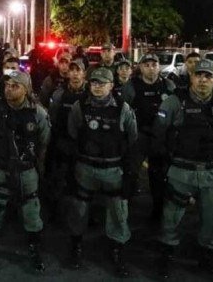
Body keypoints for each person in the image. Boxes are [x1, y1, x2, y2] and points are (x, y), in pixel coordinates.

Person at [153, 59, 213, 280]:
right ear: (191, 76)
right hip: (181, 169)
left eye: (208, 76)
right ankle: (166, 256)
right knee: (171, 217)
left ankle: (208, 258)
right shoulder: (174, 102)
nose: (203, 80)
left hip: (211, 171)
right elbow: (159, 134)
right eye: (199, 75)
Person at [66, 68, 139, 277]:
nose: (97, 87)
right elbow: (73, 133)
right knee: (79, 208)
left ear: (111, 86)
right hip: (85, 168)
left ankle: (117, 249)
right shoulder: (79, 106)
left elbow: (132, 139)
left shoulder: (123, 109)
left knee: (117, 211)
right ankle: (76, 245)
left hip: (113, 169)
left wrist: (130, 173)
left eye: (102, 83)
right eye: (94, 83)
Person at [0, 70, 50, 273]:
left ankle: (34, 248)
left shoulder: (38, 113)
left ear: (26, 89)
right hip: (0, 168)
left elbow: (44, 141)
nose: (9, 89)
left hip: (26, 170)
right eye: (7, 85)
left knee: (31, 210)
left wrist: (38, 166)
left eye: (15, 86)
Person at [122, 53, 176, 220]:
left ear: (159, 66)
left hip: (160, 138)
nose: (151, 68)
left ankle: (158, 211)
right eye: (147, 65)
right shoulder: (131, 86)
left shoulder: (168, 86)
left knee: (158, 175)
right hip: (139, 137)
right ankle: (124, 210)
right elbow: (123, 112)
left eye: (154, 65)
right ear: (140, 67)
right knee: (130, 172)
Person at [44, 57, 88, 224]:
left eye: (79, 71)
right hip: (61, 143)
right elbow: (52, 118)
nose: (75, 74)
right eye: (72, 70)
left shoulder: (91, 94)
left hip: (84, 147)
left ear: (84, 73)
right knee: (58, 180)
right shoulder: (59, 93)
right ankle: (56, 213)